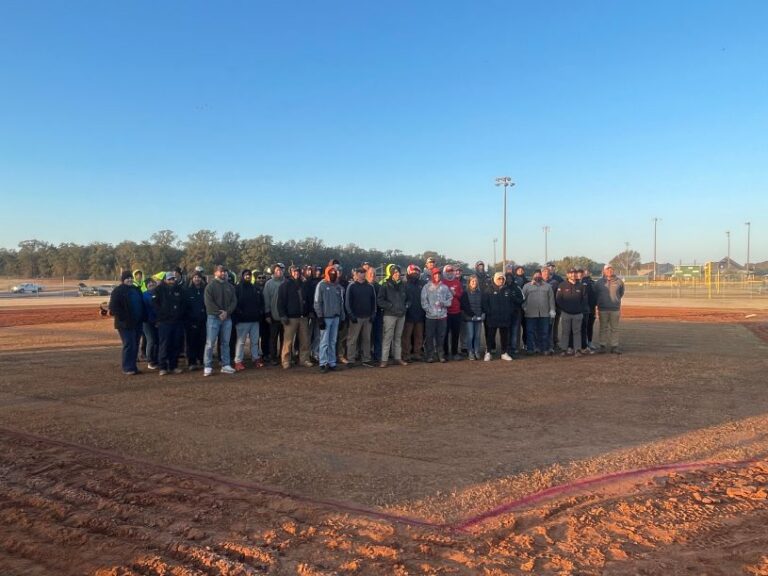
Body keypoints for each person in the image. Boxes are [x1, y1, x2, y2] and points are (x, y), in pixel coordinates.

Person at [203, 264, 238, 376]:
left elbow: (234, 301)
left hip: (227, 318)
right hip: (213, 318)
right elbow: (208, 303)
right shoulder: (210, 286)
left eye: (224, 272)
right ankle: (208, 366)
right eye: (221, 271)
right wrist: (220, 313)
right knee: (210, 343)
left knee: (225, 343)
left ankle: (225, 364)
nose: (223, 273)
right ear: (215, 273)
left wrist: (227, 312)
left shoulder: (230, 286)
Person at [108, 270, 144, 375]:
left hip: (137, 323)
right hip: (125, 324)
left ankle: (133, 366)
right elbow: (113, 307)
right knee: (129, 344)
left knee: (135, 344)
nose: (129, 280)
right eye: (127, 278)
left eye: (130, 278)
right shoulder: (118, 291)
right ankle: (127, 367)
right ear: (123, 280)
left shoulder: (136, 290)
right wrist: (125, 318)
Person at [277, 265, 312, 368]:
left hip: (303, 317)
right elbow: (280, 302)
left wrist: (309, 311)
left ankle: (304, 359)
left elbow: (308, 299)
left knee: (305, 340)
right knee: (288, 341)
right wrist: (282, 315)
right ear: (291, 273)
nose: (296, 273)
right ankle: (286, 361)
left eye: (298, 271)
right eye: (294, 271)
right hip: (290, 318)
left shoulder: (304, 284)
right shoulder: (285, 285)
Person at [152, 270, 185, 375]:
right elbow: (155, 305)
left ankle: (173, 366)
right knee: (164, 344)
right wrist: (162, 316)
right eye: (169, 279)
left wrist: (180, 314)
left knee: (175, 344)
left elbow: (184, 304)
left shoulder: (179, 290)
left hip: (177, 322)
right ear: (165, 280)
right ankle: (162, 367)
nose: (171, 281)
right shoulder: (159, 290)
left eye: (173, 279)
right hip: (164, 322)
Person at [314, 264, 345, 372]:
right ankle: (323, 363)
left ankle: (332, 362)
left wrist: (342, 318)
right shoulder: (321, 285)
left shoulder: (338, 287)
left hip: (336, 318)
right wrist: (320, 317)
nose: (333, 274)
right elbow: (317, 302)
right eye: (331, 273)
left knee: (333, 341)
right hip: (326, 318)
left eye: (334, 273)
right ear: (327, 273)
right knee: (324, 342)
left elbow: (341, 303)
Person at [377, 264, 409, 367]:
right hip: (389, 315)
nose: (397, 274)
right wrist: (390, 306)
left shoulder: (403, 285)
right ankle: (384, 360)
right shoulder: (385, 285)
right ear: (391, 273)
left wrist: (406, 306)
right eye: (395, 272)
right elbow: (380, 300)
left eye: (398, 272)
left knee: (398, 337)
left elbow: (409, 299)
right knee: (387, 337)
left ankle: (397, 358)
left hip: (401, 314)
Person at [233, 269, 265, 371]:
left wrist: (260, 311)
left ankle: (256, 358)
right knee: (241, 342)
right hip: (242, 320)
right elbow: (234, 303)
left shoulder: (255, 288)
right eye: (246, 275)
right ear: (242, 276)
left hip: (255, 320)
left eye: (249, 275)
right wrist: (240, 313)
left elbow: (261, 302)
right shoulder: (237, 288)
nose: (248, 276)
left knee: (255, 341)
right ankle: (238, 361)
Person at [345, 267, 377, 367]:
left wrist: (373, 314)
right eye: (360, 272)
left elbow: (374, 302)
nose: (362, 274)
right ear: (356, 274)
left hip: (368, 317)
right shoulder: (352, 286)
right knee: (352, 340)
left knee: (366, 339)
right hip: (356, 317)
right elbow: (347, 302)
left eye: (363, 272)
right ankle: (351, 359)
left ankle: (366, 359)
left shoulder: (370, 287)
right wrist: (351, 315)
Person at [421, 267, 453, 363]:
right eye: (435, 274)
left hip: (442, 316)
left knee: (441, 336)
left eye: (439, 274)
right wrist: (429, 310)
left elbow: (450, 299)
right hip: (430, 317)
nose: (437, 276)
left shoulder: (445, 287)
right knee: (430, 336)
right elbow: (423, 301)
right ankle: (430, 355)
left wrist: (444, 303)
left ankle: (441, 355)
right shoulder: (426, 287)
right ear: (432, 275)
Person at [482, 272, 516, 361]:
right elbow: (485, 303)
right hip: (492, 317)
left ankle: (504, 353)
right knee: (490, 336)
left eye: (502, 279)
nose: (501, 281)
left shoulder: (507, 290)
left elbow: (512, 303)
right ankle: (488, 352)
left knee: (504, 336)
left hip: (505, 318)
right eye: (499, 279)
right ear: (495, 279)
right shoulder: (488, 290)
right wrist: (489, 312)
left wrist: (509, 312)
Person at [522, 269, 556, 355]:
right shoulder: (527, 286)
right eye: (535, 275)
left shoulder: (548, 286)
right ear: (533, 276)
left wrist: (552, 310)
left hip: (544, 313)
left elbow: (551, 299)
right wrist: (524, 307)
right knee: (530, 332)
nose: (537, 276)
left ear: (541, 276)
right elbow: (522, 298)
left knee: (544, 332)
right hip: (530, 313)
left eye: (539, 275)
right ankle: (531, 349)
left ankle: (544, 349)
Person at [555, 268, 586, 356]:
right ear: (567, 275)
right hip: (566, 313)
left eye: (574, 273)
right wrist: (565, 308)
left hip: (578, 314)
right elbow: (558, 299)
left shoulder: (581, 286)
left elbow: (584, 300)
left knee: (577, 332)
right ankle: (564, 349)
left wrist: (579, 309)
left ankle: (577, 350)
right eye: (571, 273)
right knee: (565, 332)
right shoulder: (562, 285)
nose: (573, 275)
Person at [595, 264, 625, 354]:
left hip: (615, 309)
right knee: (603, 328)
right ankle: (602, 346)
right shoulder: (599, 282)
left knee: (614, 328)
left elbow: (621, 293)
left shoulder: (619, 282)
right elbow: (596, 293)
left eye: (611, 269)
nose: (609, 271)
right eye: (607, 269)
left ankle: (614, 346)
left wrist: (615, 301)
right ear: (604, 271)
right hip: (603, 309)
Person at [183, 270, 207, 371]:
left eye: (199, 277)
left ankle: (201, 359)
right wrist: (189, 319)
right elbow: (185, 307)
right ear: (192, 279)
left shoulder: (205, 290)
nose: (197, 279)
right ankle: (191, 362)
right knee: (191, 341)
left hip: (203, 320)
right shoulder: (187, 291)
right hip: (191, 321)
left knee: (202, 340)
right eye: (195, 277)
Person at [262, 263, 285, 365]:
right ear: (273, 272)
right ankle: (273, 357)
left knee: (285, 338)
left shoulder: (286, 282)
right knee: (273, 338)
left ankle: (283, 356)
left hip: (285, 316)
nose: (279, 272)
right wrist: (267, 314)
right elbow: (266, 300)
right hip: (273, 315)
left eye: (280, 270)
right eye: (276, 270)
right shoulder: (269, 284)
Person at [401, 264, 425, 362]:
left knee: (419, 336)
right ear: (408, 271)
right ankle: (406, 354)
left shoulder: (422, 284)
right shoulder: (404, 284)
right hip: (408, 314)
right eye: (413, 271)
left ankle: (417, 353)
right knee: (406, 336)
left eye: (417, 271)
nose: (415, 273)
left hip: (420, 313)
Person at [441, 264, 464, 360]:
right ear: (445, 272)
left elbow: (461, 296)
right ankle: (445, 353)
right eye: (448, 271)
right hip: (445, 312)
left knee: (455, 333)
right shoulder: (442, 282)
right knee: (445, 334)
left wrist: (455, 294)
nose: (450, 273)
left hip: (456, 312)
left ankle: (454, 353)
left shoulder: (457, 282)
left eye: (451, 271)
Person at [460, 274, 484, 360]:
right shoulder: (465, 293)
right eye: (472, 281)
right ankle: (470, 352)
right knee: (470, 336)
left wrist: (483, 314)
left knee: (477, 336)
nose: (474, 283)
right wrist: (471, 316)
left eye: (475, 281)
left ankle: (476, 351)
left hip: (478, 318)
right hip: (469, 318)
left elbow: (483, 305)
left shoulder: (480, 293)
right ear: (469, 282)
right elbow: (464, 306)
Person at [141, 278, 159, 370]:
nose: (151, 284)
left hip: (158, 322)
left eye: (152, 283)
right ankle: (150, 361)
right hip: (147, 322)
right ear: (146, 286)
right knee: (151, 340)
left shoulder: (159, 294)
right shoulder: (144, 295)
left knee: (157, 341)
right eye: (149, 283)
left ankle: (157, 360)